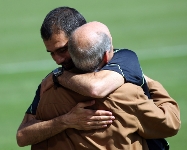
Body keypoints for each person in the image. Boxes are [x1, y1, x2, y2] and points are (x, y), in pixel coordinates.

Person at [31, 21, 180, 150]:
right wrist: (145, 79)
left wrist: (63, 121)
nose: (57, 59)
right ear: (106, 56)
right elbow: (170, 123)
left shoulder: (47, 95)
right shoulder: (127, 93)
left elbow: (28, 139)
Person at [16, 7, 115, 147]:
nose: (58, 60)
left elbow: (95, 88)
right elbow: (22, 137)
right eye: (51, 53)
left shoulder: (121, 62)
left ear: (80, 36)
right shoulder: (49, 83)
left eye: (62, 50)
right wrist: (66, 121)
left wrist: (59, 77)